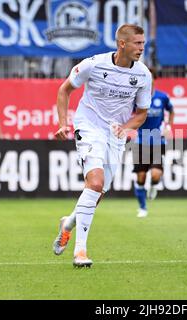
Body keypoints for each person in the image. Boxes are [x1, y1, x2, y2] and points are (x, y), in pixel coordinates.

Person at [52, 24, 152, 267]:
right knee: (95, 183)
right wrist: (64, 123)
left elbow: (142, 114)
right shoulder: (93, 64)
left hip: (115, 135)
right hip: (88, 127)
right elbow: (64, 90)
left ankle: (68, 224)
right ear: (122, 44)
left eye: (143, 43)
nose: (141, 48)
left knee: (97, 194)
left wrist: (126, 127)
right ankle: (80, 252)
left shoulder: (143, 75)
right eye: (137, 43)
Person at [133, 67, 174, 218]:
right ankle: (143, 208)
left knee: (156, 175)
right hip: (140, 142)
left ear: (154, 79)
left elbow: (172, 110)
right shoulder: (136, 97)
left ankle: (155, 186)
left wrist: (168, 126)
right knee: (141, 177)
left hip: (157, 141)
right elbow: (129, 114)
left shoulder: (162, 97)